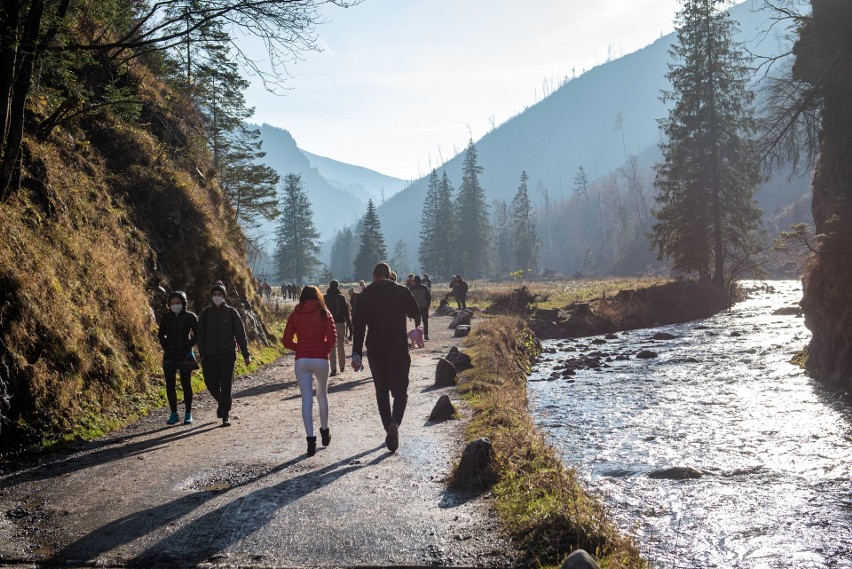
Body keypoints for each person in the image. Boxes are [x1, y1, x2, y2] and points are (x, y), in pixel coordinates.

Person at [351, 263, 420, 453]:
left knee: (381, 391)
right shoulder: (401, 291)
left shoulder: (365, 295)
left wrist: (356, 355)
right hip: (398, 347)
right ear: (390, 276)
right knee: (400, 390)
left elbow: (358, 328)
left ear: (374, 277)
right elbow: (415, 313)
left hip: (375, 349)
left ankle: (388, 426)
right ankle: (395, 424)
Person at [282, 285, 337, 456]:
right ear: (318, 297)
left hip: (302, 359)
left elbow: (285, 341)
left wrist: (299, 347)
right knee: (322, 395)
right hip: (320, 357)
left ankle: (310, 440)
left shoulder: (295, 314)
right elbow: (333, 337)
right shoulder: (324, 313)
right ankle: (325, 432)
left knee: (306, 399)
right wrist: (324, 350)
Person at [197, 281, 251, 427]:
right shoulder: (205, 313)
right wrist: (202, 353)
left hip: (228, 354)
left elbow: (241, 334)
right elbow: (200, 335)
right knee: (210, 383)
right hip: (209, 355)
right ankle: (222, 402)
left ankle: (225, 415)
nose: (217, 297)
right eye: (214, 294)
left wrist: (246, 354)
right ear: (211, 296)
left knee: (226, 385)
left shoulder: (232, 313)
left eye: (219, 294)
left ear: (224, 296)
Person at [157, 291, 198, 425]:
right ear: (169, 304)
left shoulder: (190, 316)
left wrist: (188, 345)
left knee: (186, 384)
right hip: (169, 355)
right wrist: (166, 345)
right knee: (170, 385)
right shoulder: (166, 317)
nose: (175, 305)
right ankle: (173, 413)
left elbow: (197, 335)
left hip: (185, 355)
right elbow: (161, 334)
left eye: (178, 303)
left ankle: (188, 413)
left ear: (184, 303)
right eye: (172, 303)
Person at [323, 280, 352, 377]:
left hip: (328, 324)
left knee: (331, 346)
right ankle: (342, 366)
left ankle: (333, 369)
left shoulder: (325, 298)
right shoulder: (341, 298)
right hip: (340, 323)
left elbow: (322, 313)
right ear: (337, 286)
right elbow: (346, 314)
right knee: (340, 345)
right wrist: (350, 328)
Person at [409, 275, 432, 341]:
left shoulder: (411, 288)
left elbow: (410, 300)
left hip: (415, 307)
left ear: (414, 281)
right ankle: (426, 335)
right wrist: (427, 305)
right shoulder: (424, 287)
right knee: (425, 321)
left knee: (417, 323)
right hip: (424, 307)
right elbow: (428, 298)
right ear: (420, 281)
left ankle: (418, 336)